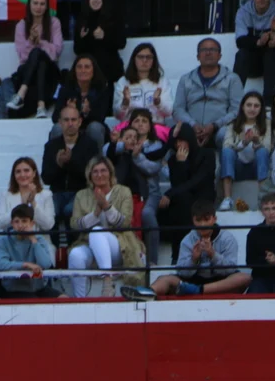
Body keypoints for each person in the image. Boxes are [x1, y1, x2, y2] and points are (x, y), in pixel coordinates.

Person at [125, 198, 251, 299]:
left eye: (206, 220)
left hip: (219, 283)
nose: (202, 224)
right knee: (165, 279)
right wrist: (193, 260)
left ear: (214, 219)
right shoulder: (187, 240)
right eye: (198, 220)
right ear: (193, 220)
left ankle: (200, 291)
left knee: (244, 278)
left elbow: (230, 269)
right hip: (191, 282)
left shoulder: (227, 238)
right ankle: (145, 294)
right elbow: (182, 272)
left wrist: (213, 255)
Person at [67, 156, 145, 297]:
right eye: (95, 171)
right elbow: (75, 224)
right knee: (75, 254)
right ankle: (79, 299)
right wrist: (95, 213)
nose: (99, 175)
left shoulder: (123, 191)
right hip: (89, 243)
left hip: (120, 244)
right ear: (90, 175)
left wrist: (107, 207)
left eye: (103, 170)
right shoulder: (81, 195)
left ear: (110, 173)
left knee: (96, 231)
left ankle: (107, 282)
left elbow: (125, 222)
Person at [109, 112, 167, 265]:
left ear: (150, 126)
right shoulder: (122, 143)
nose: (140, 124)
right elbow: (107, 152)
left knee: (146, 214)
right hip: (126, 193)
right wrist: (121, 144)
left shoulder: (156, 145)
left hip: (151, 193)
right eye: (136, 120)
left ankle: (152, 262)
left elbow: (153, 168)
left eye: (144, 121)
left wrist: (137, 156)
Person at [173, 38, 242, 151]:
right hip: (192, 128)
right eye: (204, 50)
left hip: (220, 128)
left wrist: (215, 125)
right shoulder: (186, 79)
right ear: (198, 56)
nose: (208, 53)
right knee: (175, 133)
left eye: (213, 49)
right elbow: (178, 109)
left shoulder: (232, 79)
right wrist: (193, 125)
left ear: (220, 56)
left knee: (225, 134)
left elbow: (237, 110)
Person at [42, 104, 100, 232]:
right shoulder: (51, 146)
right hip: (57, 192)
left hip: (81, 191)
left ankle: (72, 242)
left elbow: (91, 175)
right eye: (66, 120)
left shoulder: (90, 144)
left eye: (73, 120)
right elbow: (45, 178)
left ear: (80, 122)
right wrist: (59, 165)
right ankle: (57, 244)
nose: (70, 123)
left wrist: (70, 163)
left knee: (70, 210)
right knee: (51, 212)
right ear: (60, 122)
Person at [5, 0, 63, 119]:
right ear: (29, 5)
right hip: (27, 73)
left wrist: (39, 42)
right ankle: (41, 106)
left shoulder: (54, 23)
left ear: (47, 7)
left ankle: (21, 94)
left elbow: (56, 52)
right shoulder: (21, 25)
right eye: (35, 3)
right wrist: (31, 41)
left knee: (39, 55)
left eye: (42, 4)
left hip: (49, 73)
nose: (38, 7)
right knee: (37, 56)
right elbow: (22, 56)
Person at [163, 123, 216, 256]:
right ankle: (178, 254)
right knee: (179, 202)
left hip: (203, 197)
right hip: (182, 200)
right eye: (176, 142)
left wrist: (169, 194)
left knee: (182, 201)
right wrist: (181, 164)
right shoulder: (173, 160)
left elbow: (197, 181)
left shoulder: (207, 154)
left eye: (182, 140)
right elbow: (177, 184)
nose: (179, 145)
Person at [219, 92, 271, 211]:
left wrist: (256, 142)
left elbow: (267, 147)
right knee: (227, 152)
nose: (252, 109)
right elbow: (227, 145)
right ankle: (227, 198)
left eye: (256, 106)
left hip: (256, 166)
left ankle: (263, 198)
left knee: (262, 152)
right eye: (249, 105)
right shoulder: (233, 123)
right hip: (238, 167)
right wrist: (244, 143)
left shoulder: (266, 123)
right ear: (242, 106)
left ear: (261, 108)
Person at [0, 204, 60, 298]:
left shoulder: (39, 239)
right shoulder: (3, 240)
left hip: (39, 288)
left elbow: (45, 264)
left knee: (64, 299)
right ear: (12, 223)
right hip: (14, 290)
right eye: (16, 221)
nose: (20, 225)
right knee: (33, 300)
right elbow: (1, 265)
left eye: (24, 221)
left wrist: (33, 239)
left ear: (32, 223)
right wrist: (25, 265)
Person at [73, 0, 125, 95]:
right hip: (88, 72)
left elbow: (121, 43)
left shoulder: (114, 17)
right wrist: (82, 38)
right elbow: (77, 50)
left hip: (109, 69)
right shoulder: (82, 19)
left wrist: (104, 37)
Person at [51, 54, 108, 147]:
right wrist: (68, 112)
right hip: (70, 127)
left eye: (87, 67)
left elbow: (101, 117)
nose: (83, 70)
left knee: (95, 128)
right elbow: (55, 117)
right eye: (79, 67)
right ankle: (58, 156)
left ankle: (96, 157)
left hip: (90, 127)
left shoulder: (101, 90)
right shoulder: (65, 89)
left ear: (93, 70)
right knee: (57, 128)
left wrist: (86, 113)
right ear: (74, 70)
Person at [234, 0, 275, 102]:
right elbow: (240, 41)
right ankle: (234, 99)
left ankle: (268, 103)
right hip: (251, 63)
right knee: (241, 55)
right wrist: (259, 42)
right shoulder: (243, 12)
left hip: (272, 61)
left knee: (271, 53)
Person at [114, 43, 174, 126]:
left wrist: (158, 103)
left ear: (154, 60)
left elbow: (169, 112)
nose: (144, 60)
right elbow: (117, 115)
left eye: (148, 57)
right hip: (129, 126)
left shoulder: (162, 81)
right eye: (140, 57)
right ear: (134, 59)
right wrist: (125, 103)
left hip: (155, 125)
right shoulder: (123, 81)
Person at [0, 156, 55, 233]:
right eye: (18, 171)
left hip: (37, 238)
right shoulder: (6, 195)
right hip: (13, 239)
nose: (22, 175)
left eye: (26, 170)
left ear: (34, 173)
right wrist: (21, 206)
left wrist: (33, 203)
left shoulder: (46, 195)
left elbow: (48, 225)